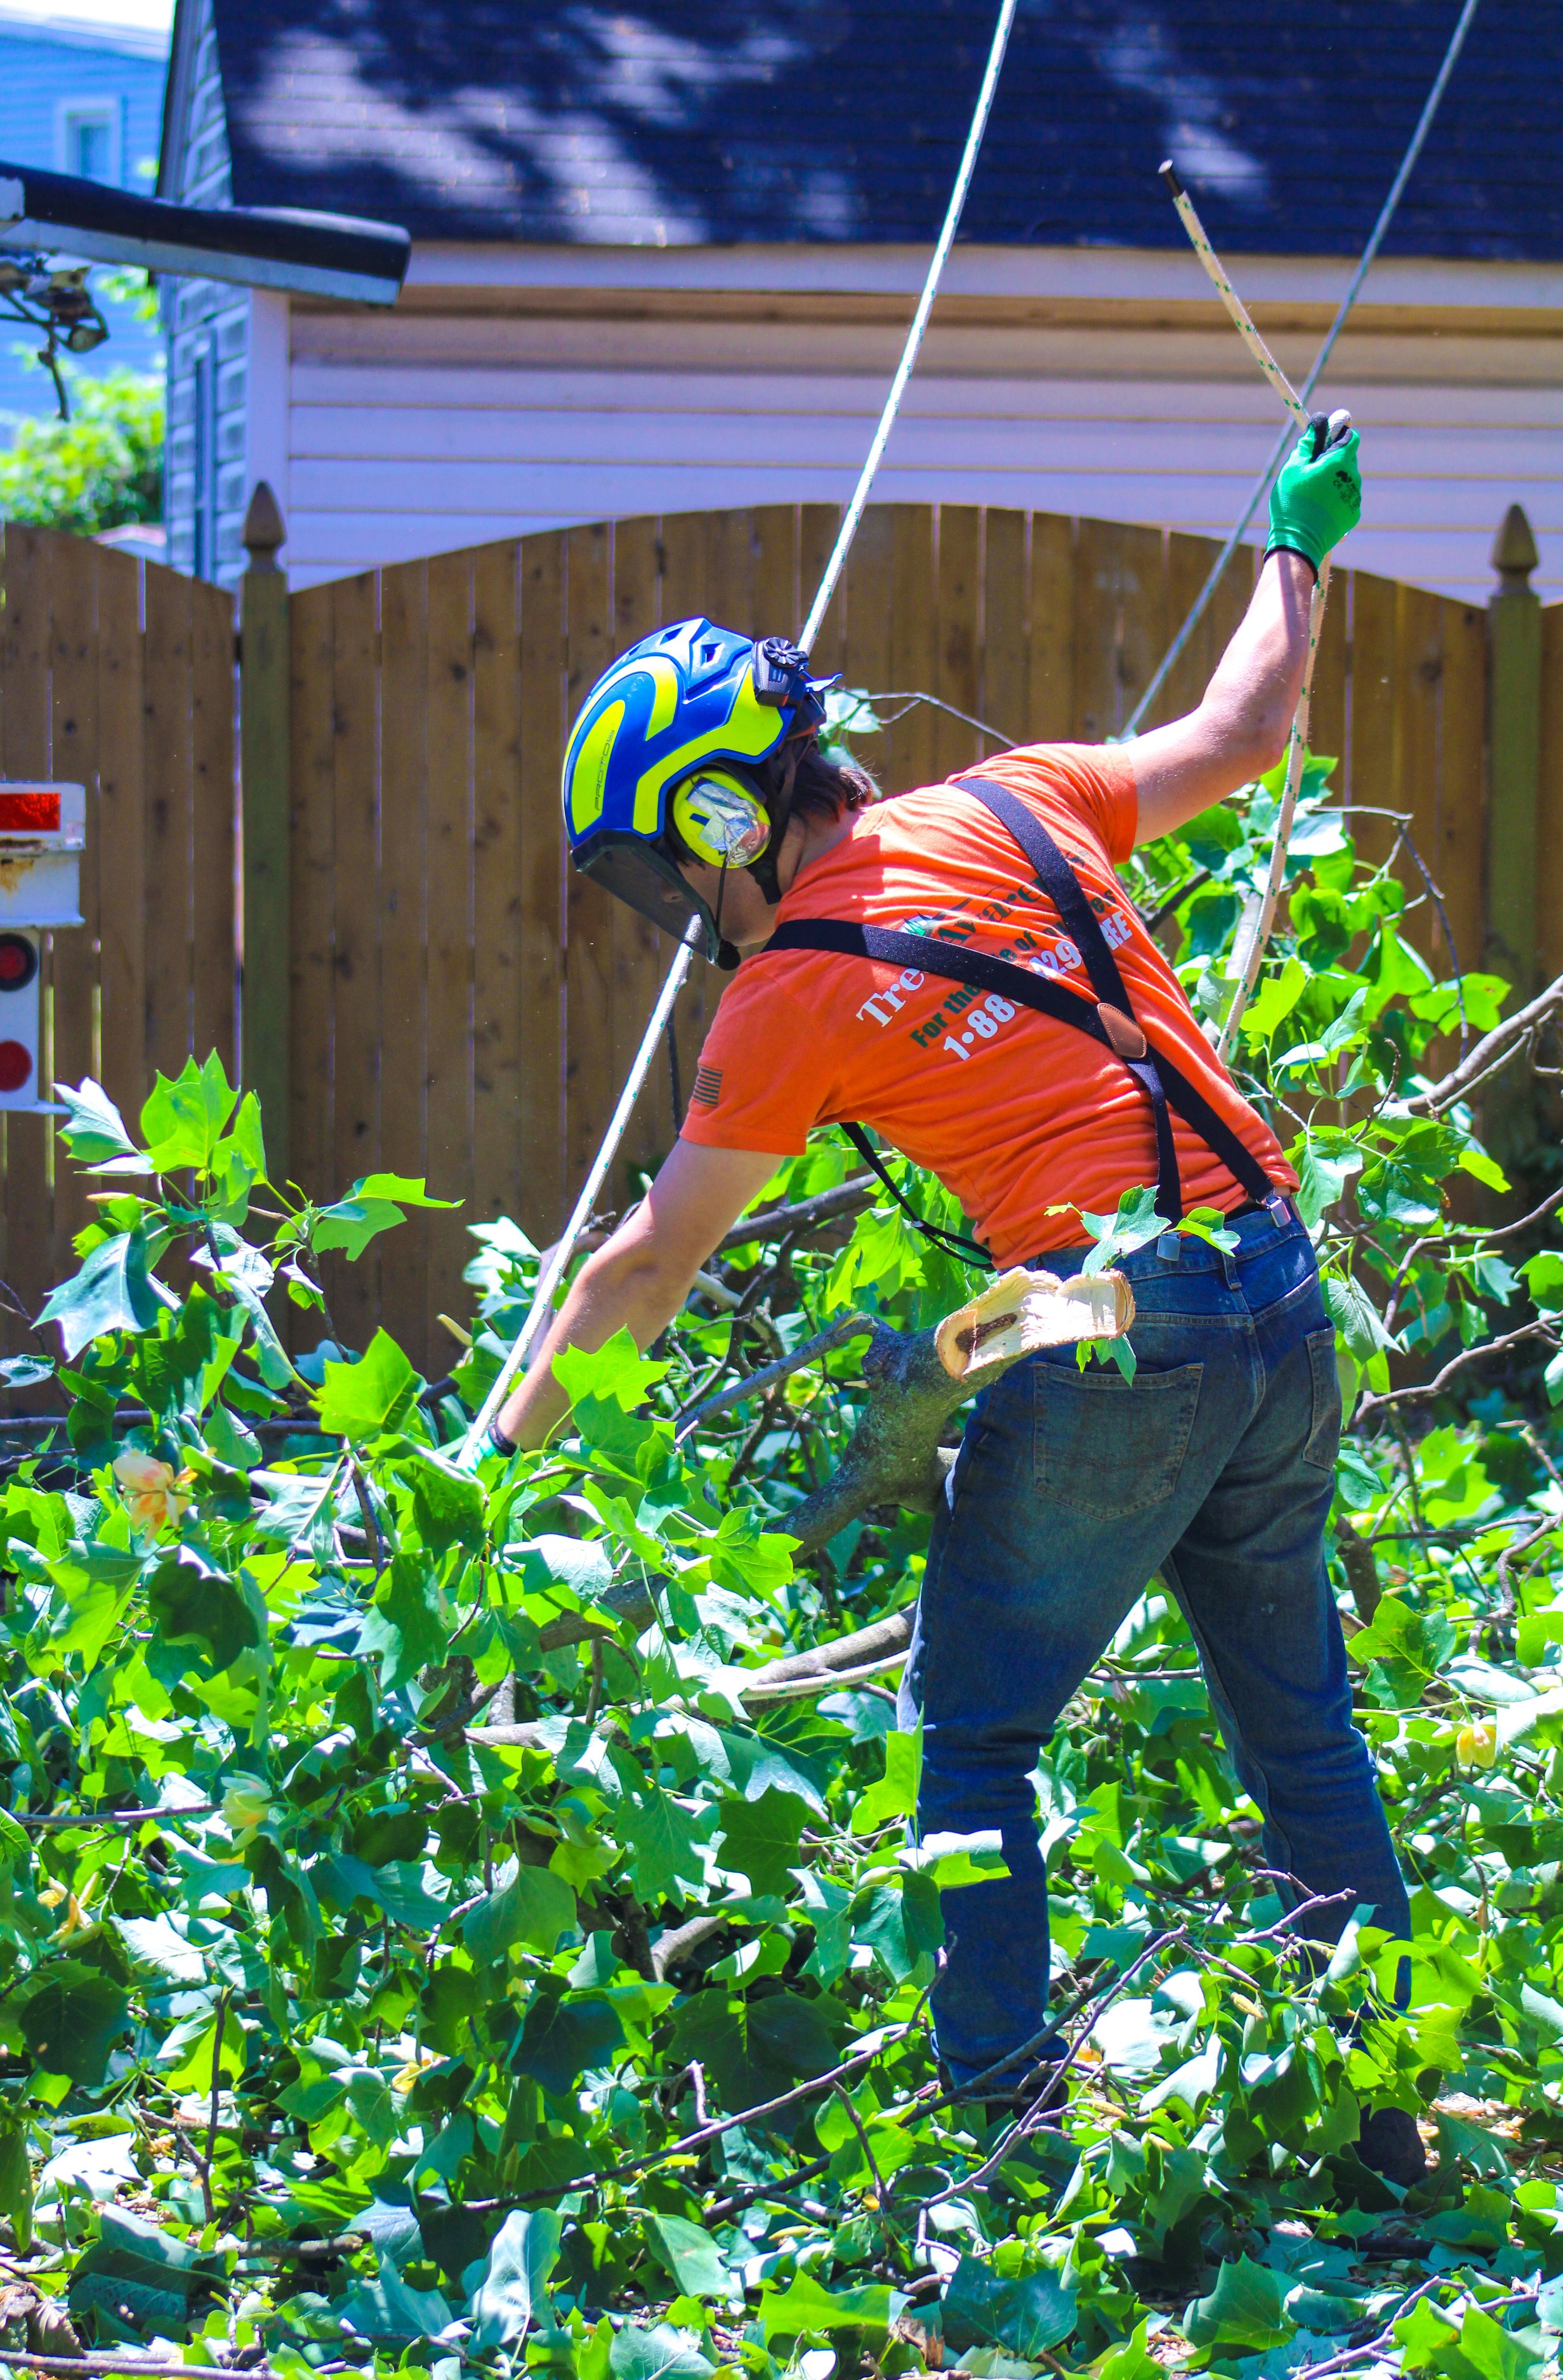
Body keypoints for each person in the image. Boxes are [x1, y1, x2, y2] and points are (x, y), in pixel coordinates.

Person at [496, 423, 1425, 2186]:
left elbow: (643, 1267)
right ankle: (1379, 2126)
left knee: (972, 1734)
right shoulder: (1018, 794)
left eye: (660, 865)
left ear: (720, 817)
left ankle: (1009, 2151)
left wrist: (487, 1467)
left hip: (1111, 1335)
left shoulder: (787, 992)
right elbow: (1242, 732)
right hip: (1286, 1301)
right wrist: (1295, 545)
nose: (670, 905)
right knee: (1298, 1729)